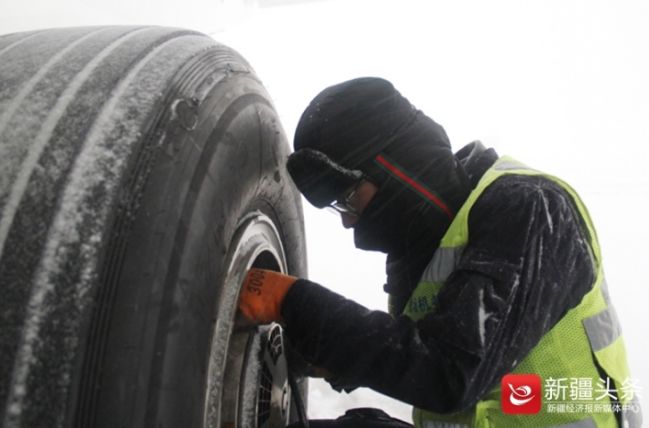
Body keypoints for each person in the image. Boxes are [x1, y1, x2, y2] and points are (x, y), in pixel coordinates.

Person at [238, 77, 641, 427]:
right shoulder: (429, 248)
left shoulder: (532, 210)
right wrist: (338, 354)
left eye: (347, 198)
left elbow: (448, 371)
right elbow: (418, 351)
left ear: (395, 167)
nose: (348, 221)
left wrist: (295, 303)